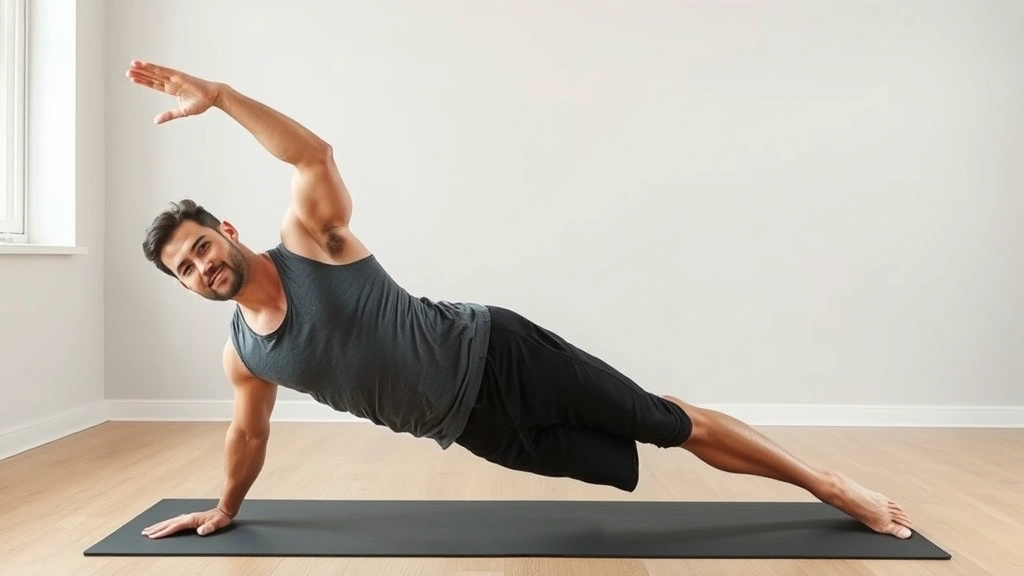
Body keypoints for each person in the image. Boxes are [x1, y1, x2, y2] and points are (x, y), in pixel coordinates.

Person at [126, 60, 914, 541]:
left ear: (224, 231)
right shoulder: (245, 354)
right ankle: (682, 432)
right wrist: (224, 508)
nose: (201, 267)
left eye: (201, 247)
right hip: (474, 430)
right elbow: (248, 436)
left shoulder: (309, 241)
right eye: (185, 270)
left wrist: (222, 96)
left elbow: (313, 155)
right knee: (617, 461)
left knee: (663, 424)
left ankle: (830, 486)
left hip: (497, 354)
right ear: (183, 285)